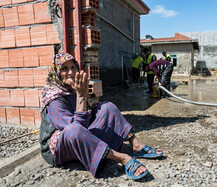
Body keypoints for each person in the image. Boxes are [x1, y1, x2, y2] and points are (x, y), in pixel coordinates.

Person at [39, 52, 163, 180]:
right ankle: (122, 158)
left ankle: (136, 145)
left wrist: (89, 105)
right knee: (73, 130)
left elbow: (81, 114)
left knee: (107, 107)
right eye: (64, 68)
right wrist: (81, 97)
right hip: (59, 148)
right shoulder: (54, 99)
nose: (70, 72)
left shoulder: (71, 88)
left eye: (73, 67)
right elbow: (76, 131)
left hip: (79, 134)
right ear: (56, 72)